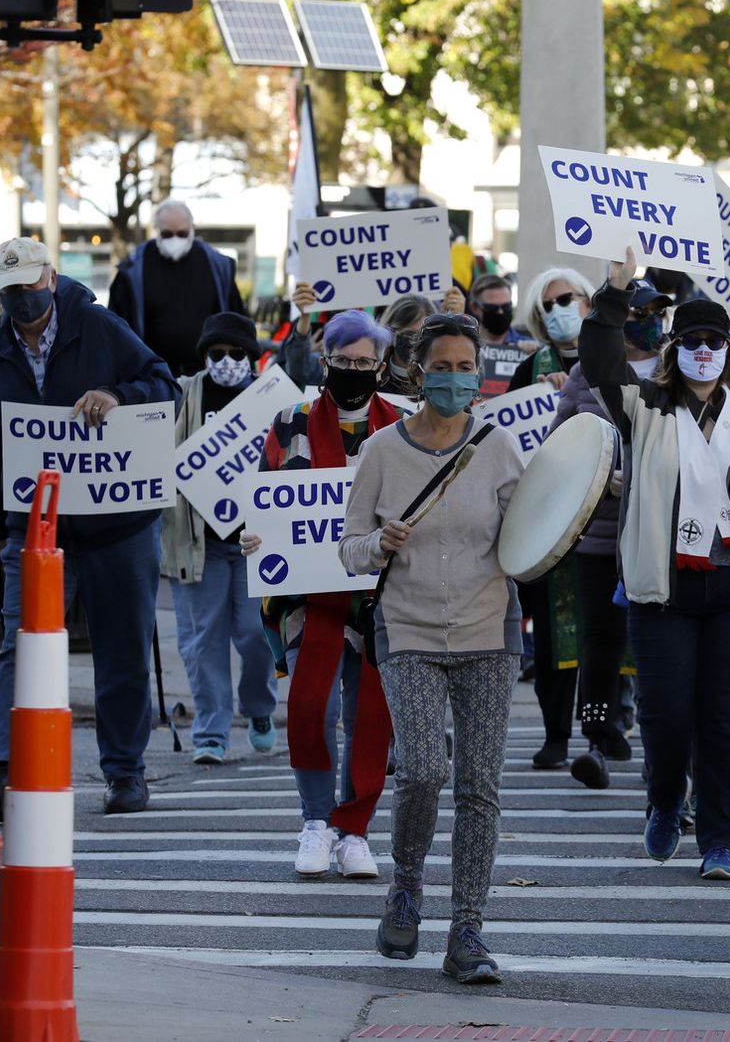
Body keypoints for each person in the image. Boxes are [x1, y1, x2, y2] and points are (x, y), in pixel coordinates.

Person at [340, 312, 525, 985]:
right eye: (441, 367)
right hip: (409, 628)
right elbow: (349, 547)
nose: (454, 379)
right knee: (421, 770)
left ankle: (467, 932)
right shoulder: (382, 452)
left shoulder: (501, 447)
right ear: (418, 373)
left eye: (464, 367)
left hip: (488, 630)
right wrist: (376, 544)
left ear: (480, 373)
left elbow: (530, 539)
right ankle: (407, 885)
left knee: (480, 786)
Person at [581, 250, 730, 883]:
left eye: (713, 341)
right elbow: (601, 360)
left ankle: (721, 839)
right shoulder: (645, 405)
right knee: (667, 716)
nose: (701, 351)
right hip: (663, 589)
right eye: (690, 340)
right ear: (673, 347)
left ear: (729, 348)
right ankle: (666, 797)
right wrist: (614, 292)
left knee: (725, 717)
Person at [0, 237, 179, 817]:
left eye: (30, 285)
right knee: (20, 642)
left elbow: (163, 386)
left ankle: (125, 771)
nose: (22, 298)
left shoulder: (99, 326)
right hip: (36, 525)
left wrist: (115, 394)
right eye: (10, 290)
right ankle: (1, 763)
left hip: (118, 523)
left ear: (50, 278)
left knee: (121, 649)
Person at [243, 310, 399, 879]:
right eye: (343, 361)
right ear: (325, 360)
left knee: (370, 714)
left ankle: (354, 828)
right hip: (309, 592)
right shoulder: (290, 421)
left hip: (382, 593)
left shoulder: (402, 425)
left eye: (365, 363)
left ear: (381, 366)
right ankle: (315, 819)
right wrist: (254, 536)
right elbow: (264, 497)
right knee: (311, 705)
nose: (354, 371)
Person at [549, 277, 672, 789]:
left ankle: (661, 747)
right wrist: (602, 479)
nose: (650, 320)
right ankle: (597, 736)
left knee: (658, 641)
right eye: (640, 310)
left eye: (656, 312)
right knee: (602, 636)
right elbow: (561, 445)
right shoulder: (586, 374)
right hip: (600, 531)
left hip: (661, 530)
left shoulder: (676, 371)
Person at [160, 312, 277, 764]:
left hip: (257, 544)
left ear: (252, 356)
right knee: (203, 639)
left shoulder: (270, 397)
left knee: (255, 634)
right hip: (198, 544)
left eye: (237, 353)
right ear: (204, 358)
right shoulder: (185, 393)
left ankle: (260, 708)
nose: (227, 361)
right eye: (217, 354)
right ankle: (210, 732)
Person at [509, 267, 592, 767]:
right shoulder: (529, 370)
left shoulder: (614, 359)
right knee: (552, 633)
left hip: (601, 518)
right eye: (549, 304)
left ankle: (605, 727)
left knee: (607, 629)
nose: (560, 309)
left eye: (567, 298)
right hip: (546, 520)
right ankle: (556, 732)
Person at [109, 198, 247, 377]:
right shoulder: (134, 269)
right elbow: (115, 325)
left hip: (207, 374)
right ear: (156, 230)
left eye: (182, 233)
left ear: (192, 229)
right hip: (151, 376)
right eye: (167, 234)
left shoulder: (217, 266)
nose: (175, 239)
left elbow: (235, 316)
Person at [469, 274, 522, 397]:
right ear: (475, 307)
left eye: (506, 306)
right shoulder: (465, 346)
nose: (500, 312)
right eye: (492, 308)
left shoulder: (529, 347)